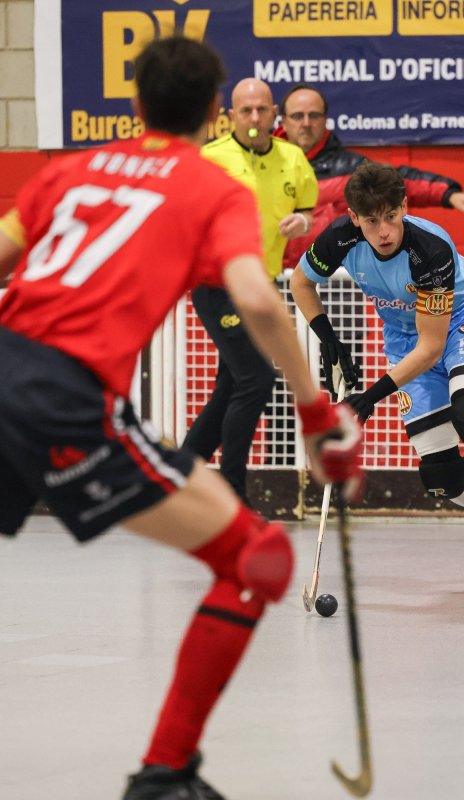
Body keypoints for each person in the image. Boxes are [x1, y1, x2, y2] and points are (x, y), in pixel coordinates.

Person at [0, 38, 361, 800]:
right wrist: (316, 414)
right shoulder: (213, 188)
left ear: (133, 105)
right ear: (214, 113)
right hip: (66, 401)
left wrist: (17, 369)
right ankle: (164, 773)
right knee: (258, 563)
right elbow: (254, 296)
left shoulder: (67, 172)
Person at [291, 162, 464, 588]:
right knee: (440, 476)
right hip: (407, 337)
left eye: (392, 216)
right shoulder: (339, 238)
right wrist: (328, 337)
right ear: (354, 218)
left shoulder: (428, 249)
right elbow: (301, 283)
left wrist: (369, 397)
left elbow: (432, 348)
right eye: (372, 221)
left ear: (404, 206)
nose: (385, 230)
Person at [184, 78, 318, 505]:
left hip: (262, 285)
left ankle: (173, 481)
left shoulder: (292, 158)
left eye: (262, 110)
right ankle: (233, 499)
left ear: (274, 112)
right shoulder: (209, 160)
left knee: (232, 386)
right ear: (232, 115)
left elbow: (307, 211)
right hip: (217, 286)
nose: (256, 119)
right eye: (247, 111)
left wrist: (303, 223)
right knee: (256, 380)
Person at [277, 83, 464, 271]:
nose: (306, 123)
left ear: (325, 120)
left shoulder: (349, 168)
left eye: (314, 115)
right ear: (283, 121)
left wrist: (448, 193)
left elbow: (400, 182)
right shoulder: (261, 167)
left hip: (334, 280)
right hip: (274, 279)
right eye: (297, 115)